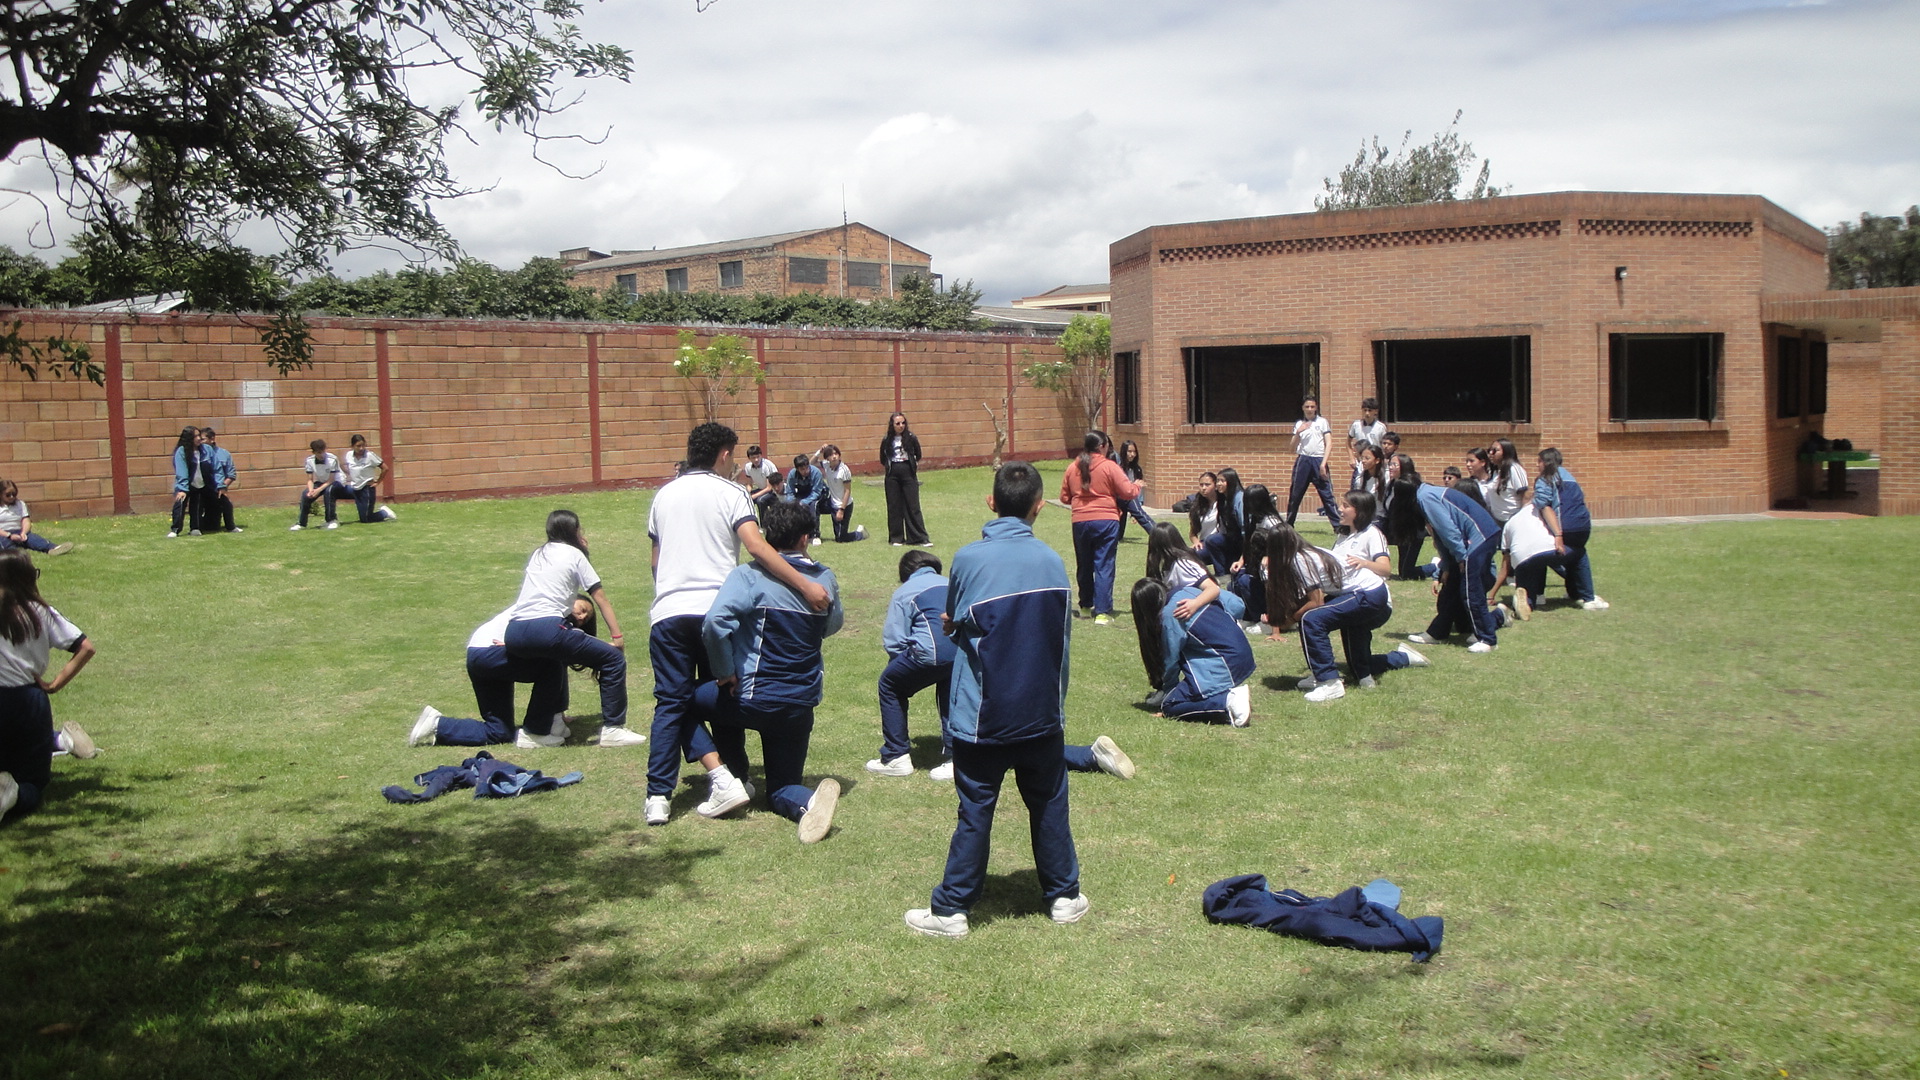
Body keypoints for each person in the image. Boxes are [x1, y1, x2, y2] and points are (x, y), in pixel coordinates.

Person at [904, 460, 1089, 938]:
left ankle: (951, 910)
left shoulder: (967, 559)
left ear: (992, 503)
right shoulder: (1053, 561)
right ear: (1039, 507)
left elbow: (954, 615)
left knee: (975, 810)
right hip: (1042, 712)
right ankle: (1064, 896)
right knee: (1048, 803)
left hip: (982, 716)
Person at [644, 422, 832, 826]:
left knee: (674, 704)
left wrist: (667, 594)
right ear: (725, 454)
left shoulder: (663, 495)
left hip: (670, 610)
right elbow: (755, 545)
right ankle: (737, 777)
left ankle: (660, 796)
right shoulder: (731, 493)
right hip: (717, 609)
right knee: (725, 691)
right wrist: (804, 583)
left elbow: (656, 561)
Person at [692, 499, 845, 842]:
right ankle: (808, 801)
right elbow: (832, 625)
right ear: (805, 539)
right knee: (780, 788)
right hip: (799, 704)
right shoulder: (825, 579)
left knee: (681, 702)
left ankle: (728, 778)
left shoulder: (749, 576)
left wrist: (724, 670)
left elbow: (715, 623)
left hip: (751, 698)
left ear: (766, 535)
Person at [498, 511, 631, 752]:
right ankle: (613, 729)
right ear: (573, 531)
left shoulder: (538, 554)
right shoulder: (575, 554)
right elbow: (599, 597)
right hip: (546, 628)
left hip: (514, 631)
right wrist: (617, 638)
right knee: (612, 658)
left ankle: (546, 726)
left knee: (552, 663)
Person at [1292, 491, 1430, 702]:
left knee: (1326, 626)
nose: (1340, 509)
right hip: (1348, 596)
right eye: (1341, 505)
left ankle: (1391, 661)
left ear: (1360, 511)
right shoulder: (1343, 535)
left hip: (1373, 599)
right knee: (1351, 659)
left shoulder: (1372, 533)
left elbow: (1385, 569)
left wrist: (1364, 563)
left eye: (1346, 506)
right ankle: (1325, 673)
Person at [410, 596, 599, 748]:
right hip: (489, 651)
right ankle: (536, 732)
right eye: (582, 609)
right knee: (552, 661)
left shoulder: (555, 621)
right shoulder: (547, 608)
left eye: (586, 617)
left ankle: (436, 724)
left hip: (481, 657)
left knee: (499, 732)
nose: (582, 617)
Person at [0, 550, 98, 824]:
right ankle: (17, 794)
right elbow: (85, 648)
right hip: (28, 701)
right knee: (33, 780)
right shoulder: (41, 611)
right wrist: (55, 684)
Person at [867, 549, 956, 780]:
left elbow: (894, 641)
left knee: (889, 685)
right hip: (961, 651)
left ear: (905, 572)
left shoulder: (904, 591)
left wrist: (899, 670)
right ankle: (958, 758)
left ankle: (896, 756)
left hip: (927, 653)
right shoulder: (950, 584)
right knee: (950, 687)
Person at [1390, 474, 1504, 653]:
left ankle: (1487, 639)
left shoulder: (1425, 498)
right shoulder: (1425, 494)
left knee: (1470, 590)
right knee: (1451, 587)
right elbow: (1441, 537)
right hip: (1474, 540)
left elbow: (1449, 530)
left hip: (1479, 538)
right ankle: (1437, 632)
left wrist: (1460, 557)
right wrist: (1446, 566)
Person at [1130, 577, 1255, 726]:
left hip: (1225, 662)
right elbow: (1236, 604)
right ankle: (1224, 693)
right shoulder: (1190, 590)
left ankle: (1228, 700)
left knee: (1171, 706)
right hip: (1244, 654)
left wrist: (1169, 691)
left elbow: (1171, 660)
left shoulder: (1171, 615)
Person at [1060, 431, 1139, 625]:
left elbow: (1064, 497)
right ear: (1102, 446)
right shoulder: (1109, 466)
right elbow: (1127, 492)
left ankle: (1086, 607)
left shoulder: (1073, 467)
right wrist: (1137, 485)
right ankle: (1102, 612)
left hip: (1080, 521)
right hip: (1106, 520)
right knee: (1104, 564)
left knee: (1084, 564)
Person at [1533, 447, 1608, 611]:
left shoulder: (1545, 479)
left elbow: (1543, 504)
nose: (1537, 465)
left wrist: (1558, 533)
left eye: (1538, 462)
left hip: (1564, 526)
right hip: (1583, 527)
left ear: (1546, 462)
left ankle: (1537, 595)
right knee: (1577, 555)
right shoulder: (1570, 477)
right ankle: (1578, 593)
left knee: (1541, 554)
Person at [1489, 502, 1560, 623]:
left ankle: (1529, 602)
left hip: (1521, 560)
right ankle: (1579, 593)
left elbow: (1505, 567)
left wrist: (1491, 595)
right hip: (1547, 549)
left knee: (1528, 578)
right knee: (1574, 560)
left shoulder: (1509, 525)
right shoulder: (1539, 508)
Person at [1286, 397, 1340, 530]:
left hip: (1318, 460)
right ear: (1303, 408)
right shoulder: (1299, 424)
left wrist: (1323, 463)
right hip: (1303, 460)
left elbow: (1329, 443)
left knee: (1327, 495)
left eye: (1312, 407)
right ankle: (1288, 525)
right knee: (1295, 495)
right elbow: (1291, 448)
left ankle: (1338, 526)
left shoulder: (1322, 422)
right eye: (1307, 407)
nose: (1310, 409)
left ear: (1316, 408)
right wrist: (1298, 432)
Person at [880, 412, 929, 546]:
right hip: (892, 474)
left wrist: (910, 464)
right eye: (897, 423)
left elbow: (918, 454)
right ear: (892, 425)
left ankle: (918, 538)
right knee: (894, 506)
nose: (901, 426)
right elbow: (882, 458)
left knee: (913, 506)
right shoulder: (887, 439)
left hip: (908, 473)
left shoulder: (911, 438)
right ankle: (896, 538)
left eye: (903, 423)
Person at [291, 438, 351, 531]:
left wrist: (318, 490)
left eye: (323, 451)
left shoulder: (332, 459)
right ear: (314, 452)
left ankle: (332, 520)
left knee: (329, 491)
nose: (321, 454)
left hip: (337, 481)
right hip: (321, 481)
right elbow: (310, 479)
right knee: (305, 495)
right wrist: (311, 490)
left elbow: (331, 480)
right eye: (318, 452)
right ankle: (301, 523)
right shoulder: (309, 461)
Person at [0, 481, 73, 556]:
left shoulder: (20, 504)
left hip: (19, 532)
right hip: (3, 534)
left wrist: (24, 532)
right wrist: (9, 535)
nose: (12, 497)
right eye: (8, 495)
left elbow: (26, 521)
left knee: (33, 539)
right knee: (4, 542)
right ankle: (14, 554)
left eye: (14, 494)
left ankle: (52, 548)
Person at [810, 444, 865, 542]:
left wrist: (841, 510)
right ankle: (815, 535)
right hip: (831, 502)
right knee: (815, 506)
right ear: (827, 458)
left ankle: (860, 533)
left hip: (843, 505)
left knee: (840, 538)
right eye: (831, 455)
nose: (834, 456)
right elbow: (811, 463)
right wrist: (820, 451)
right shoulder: (827, 465)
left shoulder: (844, 470)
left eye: (836, 453)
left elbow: (847, 491)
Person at [1384, 454, 1426, 579]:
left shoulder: (1409, 484)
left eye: (1395, 465)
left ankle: (1435, 566)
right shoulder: (1392, 484)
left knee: (1407, 573)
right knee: (1403, 572)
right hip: (1400, 529)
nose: (1391, 467)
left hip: (1413, 531)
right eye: (1390, 464)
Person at [342, 434, 398, 524]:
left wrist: (378, 482)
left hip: (367, 488)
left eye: (363, 445)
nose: (361, 448)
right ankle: (331, 519)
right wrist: (349, 474)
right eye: (358, 446)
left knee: (366, 519)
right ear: (352, 446)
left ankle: (384, 512)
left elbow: (385, 468)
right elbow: (343, 465)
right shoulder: (349, 455)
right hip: (355, 488)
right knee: (363, 517)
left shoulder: (370, 455)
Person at [1201, 468, 1247, 576]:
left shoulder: (1239, 499)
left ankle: (1222, 574)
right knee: (1210, 542)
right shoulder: (1224, 499)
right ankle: (1221, 573)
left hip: (1243, 540)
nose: (1219, 484)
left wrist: (1243, 557)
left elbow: (1245, 529)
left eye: (1222, 481)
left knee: (1212, 540)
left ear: (1230, 481)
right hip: (1232, 538)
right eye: (1217, 481)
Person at [170, 426, 212, 537]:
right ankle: (175, 529)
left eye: (199, 435)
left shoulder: (205, 450)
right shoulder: (182, 451)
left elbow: (212, 465)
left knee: (197, 506)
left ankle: (195, 527)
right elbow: (181, 470)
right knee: (180, 504)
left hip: (200, 483)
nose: (199, 438)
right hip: (185, 484)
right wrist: (183, 488)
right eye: (196, 436)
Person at [199, 427, 241, 533]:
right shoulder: (198, 454)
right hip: (203, 489)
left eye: (203, 439)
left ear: (212, 439)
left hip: (218, 489)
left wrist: (222, 487)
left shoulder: (224, 454)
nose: (200, 442)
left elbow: (231, 474)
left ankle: (231, 527)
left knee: (226, 505)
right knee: (210, 526)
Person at [1113, 439, 1156, 541]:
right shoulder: (1118, 468)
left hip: (1130, 497)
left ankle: (1157, 534)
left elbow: (1139, 489)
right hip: (1119, 498)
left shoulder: (1137, 469)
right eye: (1129, 451)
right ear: (1124, 452)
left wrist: (1137, 506)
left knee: (1141, 515)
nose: (1132, 454)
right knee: (1118, 536)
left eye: (1134, 452)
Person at [1479, 438, 1529, 524]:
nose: (1490, 454)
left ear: (1506, 452)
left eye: (1495, 450)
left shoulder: (1514, 469)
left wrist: (1522, 519)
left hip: (1513, 519)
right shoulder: (1495, 471)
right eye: (1489, 450)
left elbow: (1525, 496)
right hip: (1497, 520)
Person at [784, 453, 826, 544]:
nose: (805, 471)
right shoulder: (792, 474)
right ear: (797, 469)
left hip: (817, 495)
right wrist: (792, 503)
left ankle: (814, 535)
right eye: (802, 469)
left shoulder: (816, 473)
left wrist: (803, 502)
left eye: (807, 468)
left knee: (813, 506)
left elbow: (816, 492)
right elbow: (790, 491)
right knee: (790, 508)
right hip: (801, 493)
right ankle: (796, 534)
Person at [737, 445, 784, 515]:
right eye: (753, 458)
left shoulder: (766, 466)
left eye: (758, 457)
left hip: (773, 491)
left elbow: (769, 488)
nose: (756, 460)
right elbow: (750, 484)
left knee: (760, 501)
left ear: (761, 456)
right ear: (749, 458)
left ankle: (764, 523)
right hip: (761, 489)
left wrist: (754, 496)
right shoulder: (748, 467)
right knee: (744, 499)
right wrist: (747, 493)